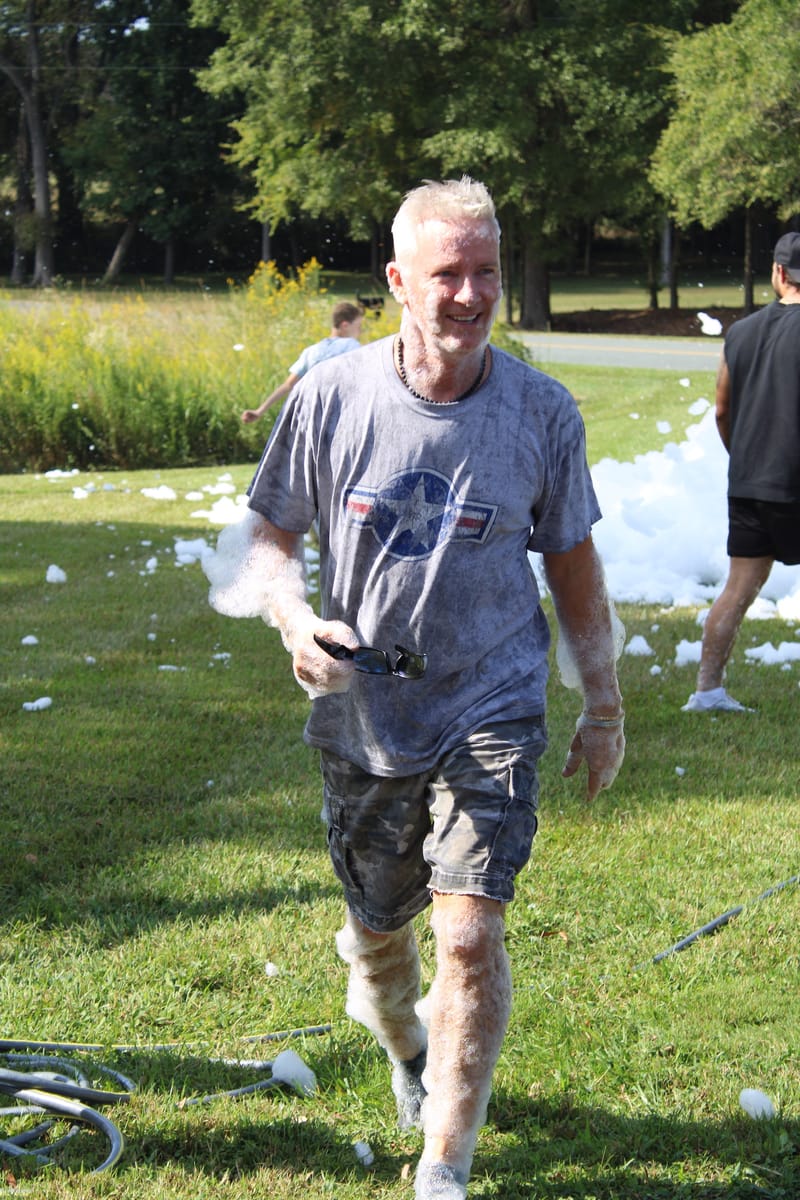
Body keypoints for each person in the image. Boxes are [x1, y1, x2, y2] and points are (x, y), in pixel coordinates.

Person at [220, 177, 624, 1200]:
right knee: (379, 927)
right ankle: (401, 1041)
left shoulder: (539, 410)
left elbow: (572, 565)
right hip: (363, 711)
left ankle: (442, 1165)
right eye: (448, 274)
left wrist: (602, 703)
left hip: (490, 697)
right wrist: (289, 613)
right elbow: (267, 537)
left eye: (485, 271)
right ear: (399, 281)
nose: (470, 294)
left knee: (468, 929)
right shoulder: (331, 397)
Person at [683, 231, 800, 713]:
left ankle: (707, 691)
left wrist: (745, 457)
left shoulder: (740, 332)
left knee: (738, 589)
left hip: (749, 482)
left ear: (777, 273)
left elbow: (722, 409)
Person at [240, 300, 364, 423]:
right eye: (358, 327)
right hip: (339, 415)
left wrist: (259, 411)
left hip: (312, 416)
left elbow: (288, 385)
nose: (361, 331)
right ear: (345, 325)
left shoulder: (311, 351)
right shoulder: (352, 346)